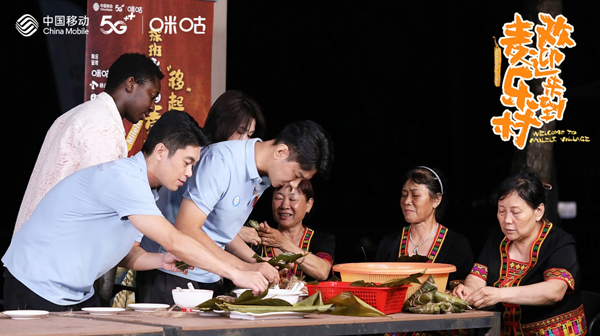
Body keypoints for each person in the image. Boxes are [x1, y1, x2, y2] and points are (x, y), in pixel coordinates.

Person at [2, 111, 269, 311]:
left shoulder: (147, 190)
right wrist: (236, 273)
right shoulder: (125, 179)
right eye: (187, 163)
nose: (189, 173)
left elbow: (127, 254)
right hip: (34, 286)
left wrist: (159, 260)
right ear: (161, 151)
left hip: (74, 293)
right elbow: (174, 239)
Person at [137, 120, 334, 304]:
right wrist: (242, 268)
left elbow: (220, 230)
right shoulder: (221, 162)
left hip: (210, 275)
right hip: (172, 274)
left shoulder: (262, 178)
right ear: (281, 152)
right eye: (297, 175)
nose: (294, 185)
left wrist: (258, 262)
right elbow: (187, 229)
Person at [14, 52, 164, 234]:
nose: (152, 106)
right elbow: (100, 203)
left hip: (36, 240)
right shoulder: (104, 126)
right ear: (131, 84)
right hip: (57, 246)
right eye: (152, 96)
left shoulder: (74, 115)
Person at [453, 172, 586, 336]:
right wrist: (470, 291)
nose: (507, 220)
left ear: (538, 211)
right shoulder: (497, 239)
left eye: (515, 212)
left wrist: (499, 294)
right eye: (501, 211)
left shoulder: (559, 242)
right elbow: (478, 276)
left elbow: (554, 291)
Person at [375, 166, 473, 289]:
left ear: (436, 200)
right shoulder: (389, 243)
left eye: (415, 195)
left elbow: (461, 295)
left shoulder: (457, 245)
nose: (407, 201)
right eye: (404, 195)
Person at [257, 179, 335, 282]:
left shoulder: (321, 240)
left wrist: (283, 243)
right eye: (278, 198)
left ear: (309, 205)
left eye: (293, 199)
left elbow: (322, 272)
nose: (284, 206)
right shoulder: (258, 239)